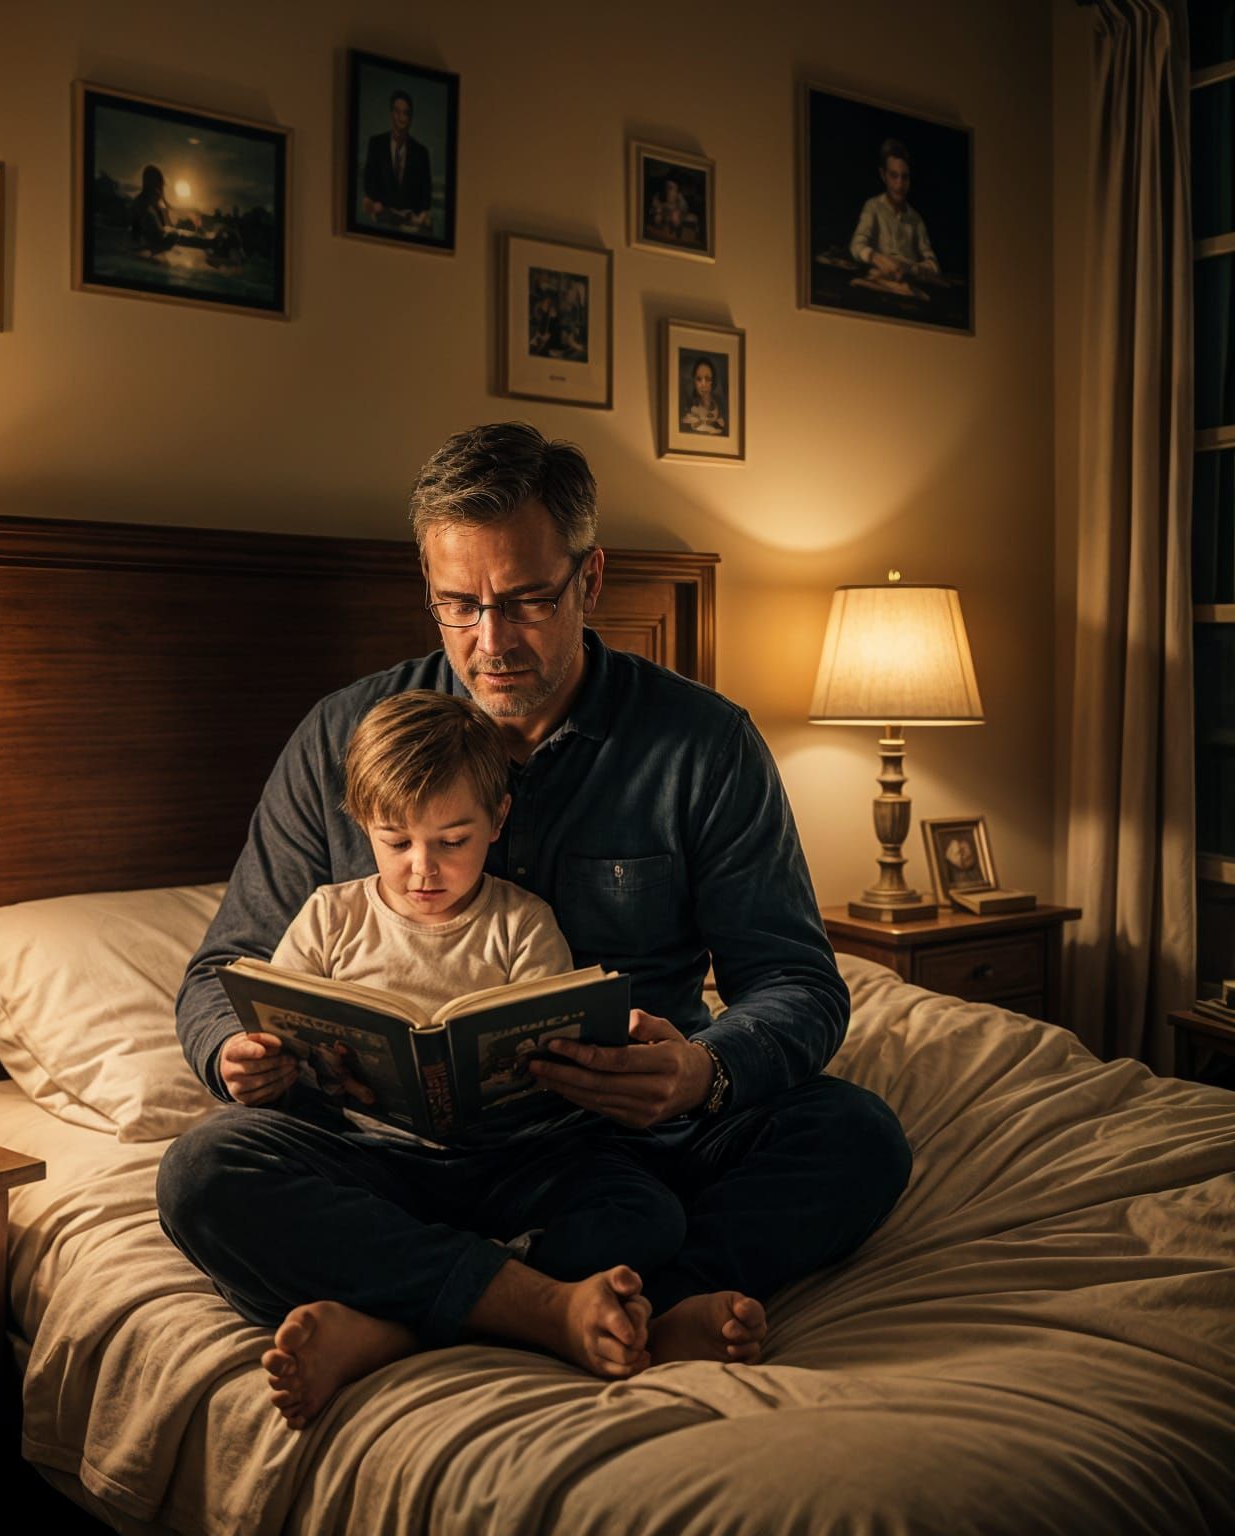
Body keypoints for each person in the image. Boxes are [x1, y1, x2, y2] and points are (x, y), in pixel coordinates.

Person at [161, 421, 912, 1428]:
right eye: (458, 605)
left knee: (854, 1136)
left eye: (524, 600)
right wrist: (235, 1057)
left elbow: (799, 984)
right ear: (427, 588)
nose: (490, 639)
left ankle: (425, 1311)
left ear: (590, 577)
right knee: (207, 1173)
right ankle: (560, 1305)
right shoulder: (343, 737)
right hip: (380, 1156)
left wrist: (703, 1070)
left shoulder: (702, 745)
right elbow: (225, 968)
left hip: (607, 1146)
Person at [172, 688, 690, 1427]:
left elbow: (549, 1060)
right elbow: (277, 1029)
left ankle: (390, 1325)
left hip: (505, 1161)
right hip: (369, 1163)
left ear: (497, 821)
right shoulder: (327, 917)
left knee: (647, 1212)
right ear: (362, 826)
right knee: (201, 1171)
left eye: (453, 840)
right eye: (396, 841)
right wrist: (257, 1065)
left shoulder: (522, 923)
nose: (423, 868)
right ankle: (527, 1298)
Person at [849, 137, 939, 283]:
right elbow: (856, 245)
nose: (900, 184)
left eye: (905, 177)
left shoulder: (916, 219)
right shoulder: (873, 206)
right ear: (883, 175)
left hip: (908, 284)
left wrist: (918, 268)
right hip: (879, 280)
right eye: (894, 176)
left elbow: (933, 263)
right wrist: (877, 258)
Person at [361, 89, 433, 231]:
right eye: (397, 112)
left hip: (410, 221)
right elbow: (369, 183)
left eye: (406, 113)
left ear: (410, 117)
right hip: (382, 218)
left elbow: (425, 195)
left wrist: (415, 215)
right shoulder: (376, 144)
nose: (401, 118)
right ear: (391, 113)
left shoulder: (421, 153)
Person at [680, 356, 725, 435]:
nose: (703, 384)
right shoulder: (688, 407)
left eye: (707, 379)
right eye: (699, 379)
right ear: (694, 381)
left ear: (713, 381)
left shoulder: (720, 404)